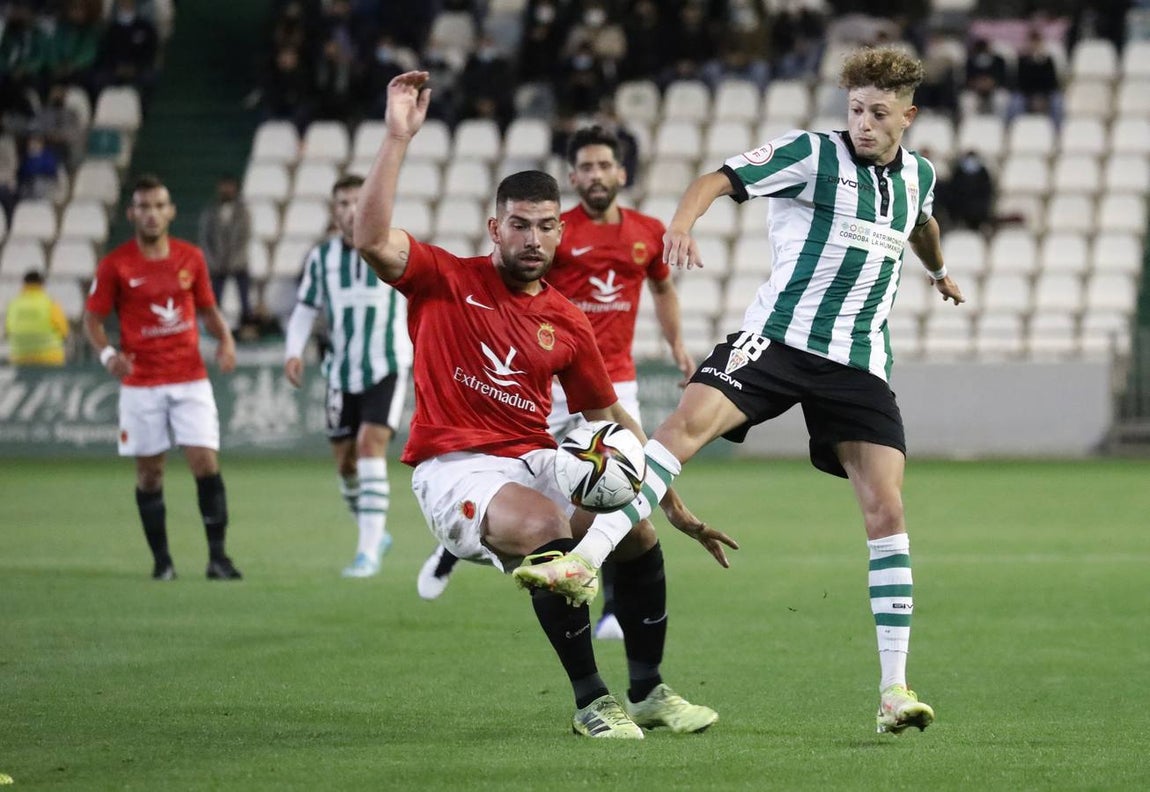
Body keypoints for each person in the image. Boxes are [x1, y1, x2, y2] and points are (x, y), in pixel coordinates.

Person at [524, 46, 966, 735]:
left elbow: (922, 224)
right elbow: (716, 178)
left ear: (908, 115)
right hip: (778, 341)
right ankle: (584, 563)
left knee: (886, 508)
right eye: (855, 109)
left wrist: (939, 272)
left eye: (879, 113)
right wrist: (679, 223)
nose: (864, 124)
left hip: (858, 363)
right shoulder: (811, 155)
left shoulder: (918, 177)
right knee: (680, 433)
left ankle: (894, 691)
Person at [354, 71, 736, 739]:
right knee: (541, 526)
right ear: (494, 227)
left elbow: (606, 414)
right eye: (521, 226)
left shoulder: (566, 319)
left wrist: (665, 498)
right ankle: (592, 701)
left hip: (532, 455)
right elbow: (372, 240)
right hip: (455, 467)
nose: (534, 239)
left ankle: (647, 691)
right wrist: (395, 137)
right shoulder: (443, 279)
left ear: (561, 232)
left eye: (547, 227)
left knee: (633, 531)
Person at [418, 125, 695, 646]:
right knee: (530, 483)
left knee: (618, 490)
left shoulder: (645, 233)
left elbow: (662, 289)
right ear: (573, 177)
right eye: (585, 168)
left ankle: (613, 609)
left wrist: (677, 344)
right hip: (548, 381)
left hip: (613, 383)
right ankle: (463, 534)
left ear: (621, 173)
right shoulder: (546, 231)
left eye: (603, 166)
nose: (595, 175)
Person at [83, 174, 243, 582]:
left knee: (205, 463)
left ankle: (218, 559)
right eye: (144, 206)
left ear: (170, 211)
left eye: (159, 206)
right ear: (131, 212)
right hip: (141, 384)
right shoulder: (116, 264)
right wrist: (107, 355)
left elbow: (207, 309)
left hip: (190, 378)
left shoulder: (191, 258)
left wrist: (225, 339)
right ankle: (162, 562)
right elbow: (93, 320)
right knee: (150, 473)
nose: (152, 214)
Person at [283, 174, 412, 578]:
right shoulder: (321, 259)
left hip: (387, 364)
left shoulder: (395, 247)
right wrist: (293, 350)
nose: (352, 209)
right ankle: (373, 532)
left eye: (359, 200)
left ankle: (367, 552)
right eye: (343, 203)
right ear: (333, 210)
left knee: (370, 445)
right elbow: (305, 308)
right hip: (341, 370)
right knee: (345, 463)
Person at [198, 175, 253, 324]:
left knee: (244, 298)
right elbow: (205, 238)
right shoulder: (210, 211)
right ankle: (215, 325)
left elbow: (245, 238)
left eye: (230, 186)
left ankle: (246, 324)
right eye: (224, 186)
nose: (227, 190)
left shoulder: (243, 212)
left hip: (239, 262)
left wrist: (234, 261)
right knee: (215, 299)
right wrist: (213, 261)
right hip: (217, 263)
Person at [5, 270, 69, 366]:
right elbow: (64, 331)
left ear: (24, 284)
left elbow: (8, 330)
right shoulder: (50, 303)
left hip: (20, 357)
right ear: (41, 284)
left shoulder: (13, 304)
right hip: (49, 358)